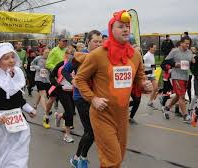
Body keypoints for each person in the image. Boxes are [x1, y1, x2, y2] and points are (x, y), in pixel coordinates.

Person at [74, 10, 152, 168]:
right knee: (112, 160)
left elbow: (139, 78)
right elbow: (79, 79)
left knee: (118, 158)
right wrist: (93, 99)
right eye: (121, 26)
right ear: (111, 30)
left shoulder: (135, 55)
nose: (125, 29)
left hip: (122, 116)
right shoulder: (98, 55)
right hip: (102, 115)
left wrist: (144, 85)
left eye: (127, 26)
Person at [62, 30, 102, 168]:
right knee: (91, 131)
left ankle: (77, 157)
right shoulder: (80, 56)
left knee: (91, 131)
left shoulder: (101, 56)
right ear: (88, 42)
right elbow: (64, 70)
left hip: (95, 97)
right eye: (95, 41)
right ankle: (81, 158)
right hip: (81, 96)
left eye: (100, 42)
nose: (98, 44)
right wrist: (72, 80)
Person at [162, 36, 195, 121]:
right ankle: (185, 115)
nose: (188, 45)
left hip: (185, 76)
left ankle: (167, 107)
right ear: (181, 43)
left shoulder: (189, 52)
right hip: (176, 76)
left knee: (178, 96)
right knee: (182, 96)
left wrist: (193, 61)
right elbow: (165, 62)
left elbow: (191, 62)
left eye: (189, 43)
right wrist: (174, 64)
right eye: (186, 43)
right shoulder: (174, 51)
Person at [42, 35, 67, 129]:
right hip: (56, 78)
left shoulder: (66, 50)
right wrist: (58, 70)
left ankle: (66, 122)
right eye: (63, 41)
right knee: (52, 99)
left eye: (66, 41)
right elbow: (48, 64)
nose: (65, 43)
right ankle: (46, 117)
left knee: (67, 100)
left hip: (65, 79)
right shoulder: (54, 50)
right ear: (58, 41)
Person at [30, 48, 51, 112]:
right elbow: (32, 64)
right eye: (46, 52)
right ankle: (46, 111)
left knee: (41, 94)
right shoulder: (38, 58)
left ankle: (35, 104)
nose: (47, 54)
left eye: (48, 52)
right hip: (38, 78)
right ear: (43, 52)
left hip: (47, 79)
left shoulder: (50, 59)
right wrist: (37, 67)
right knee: (43, 94)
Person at [144, 43, 158, 109]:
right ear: (150, 48)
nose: (155, 49)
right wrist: (151, 66)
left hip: (152, 74)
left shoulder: (152, 54)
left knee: (155, 88)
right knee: (145, 89)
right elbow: (142, 63)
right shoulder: (146, 55)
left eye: (155, 47)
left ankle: (150, 102)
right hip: (146, 74)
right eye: (154, 47)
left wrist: (153, 66)